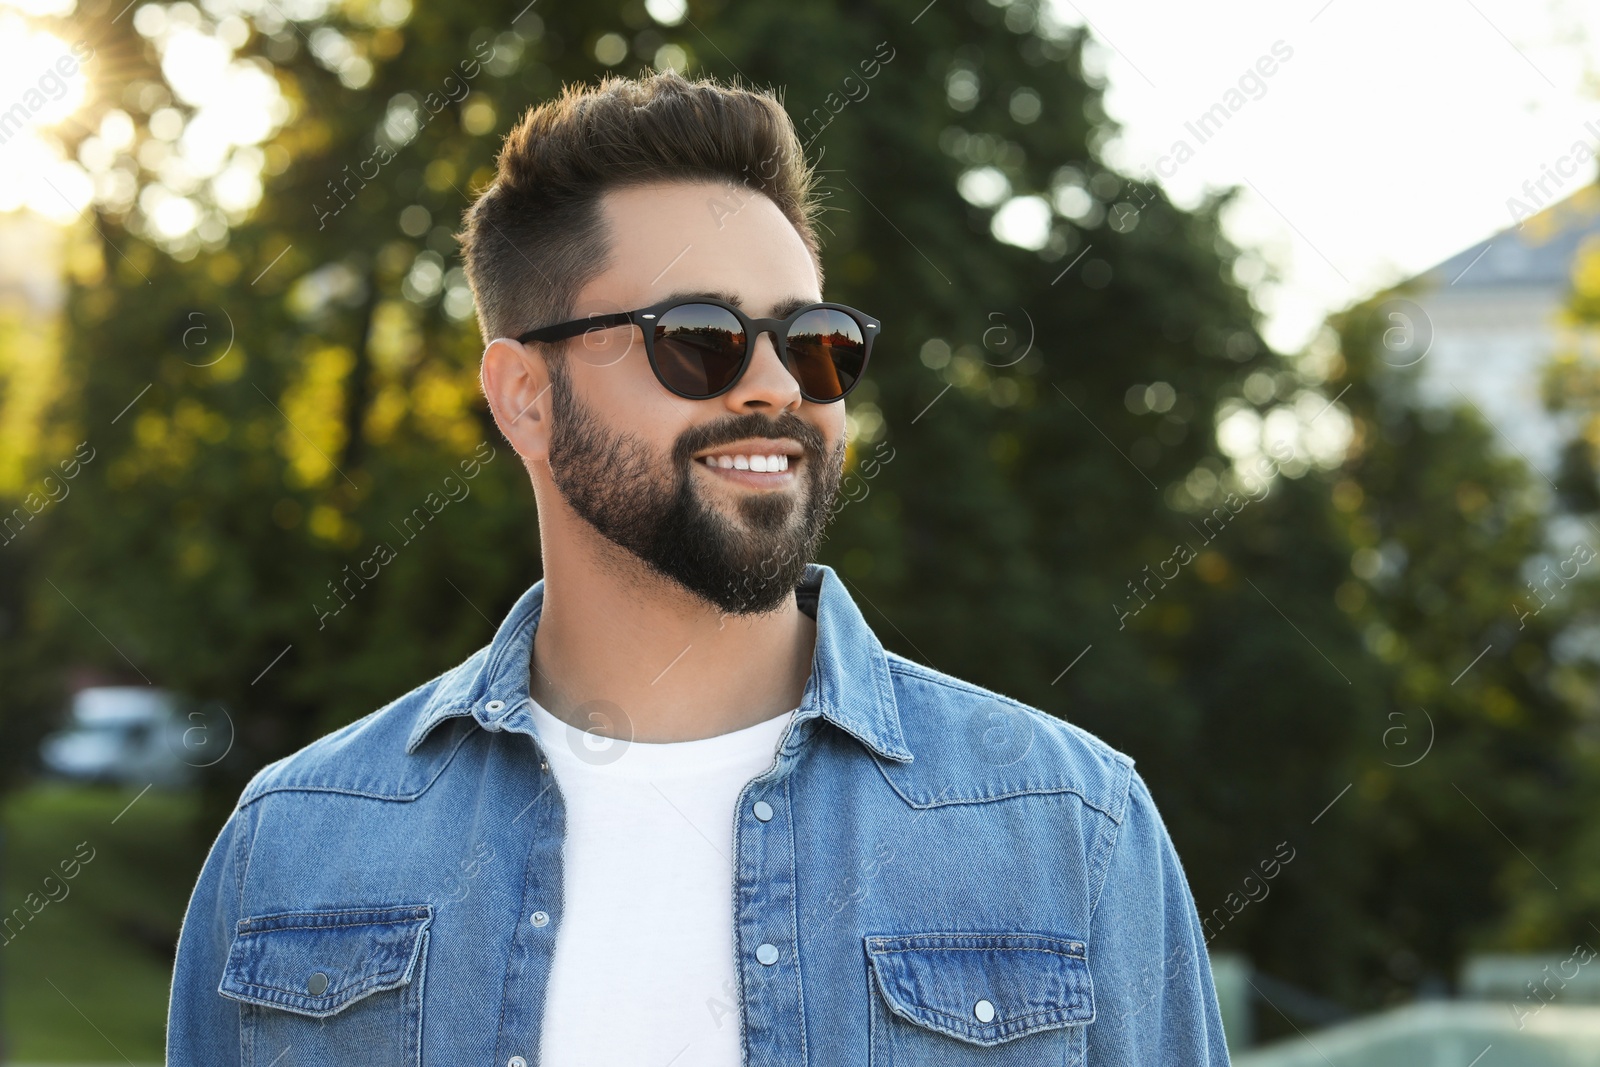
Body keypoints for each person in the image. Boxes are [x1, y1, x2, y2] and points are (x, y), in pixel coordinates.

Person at [167, 68, 1230, 1066]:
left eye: (815, 341)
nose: (776, 385)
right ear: (524, 396)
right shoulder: (296, 846)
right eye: (699, 334)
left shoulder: (1067, 825)